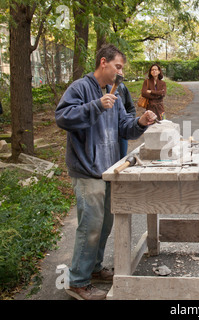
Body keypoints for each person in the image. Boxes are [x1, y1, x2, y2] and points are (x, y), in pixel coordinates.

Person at [55, 44, 157, 300]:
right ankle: (77, 281)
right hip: (87, 170)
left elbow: (124, 126)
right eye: (118, 67)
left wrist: (140, 123)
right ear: (104, 63)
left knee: (105, 225)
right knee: (90, 226)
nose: (120, 72)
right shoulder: (80, 88)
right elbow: (63, 117)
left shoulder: (118, 90)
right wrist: (96, 106)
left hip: (110, 170)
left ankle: (94, 268)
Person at [117, 82, 136, 158]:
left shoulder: (121, 86)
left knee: (122, 157)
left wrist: (128, 123)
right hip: (105, 134)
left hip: (121, 131)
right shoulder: (95, 89)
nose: (120, 72)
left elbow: (130, 108)